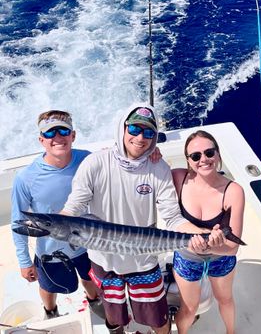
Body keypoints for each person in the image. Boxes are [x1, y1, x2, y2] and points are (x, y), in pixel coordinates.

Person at [61, 104, 225, 334]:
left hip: (143, 261)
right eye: (135, 129)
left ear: (155, 137)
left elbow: (172, 217)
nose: (140, 138)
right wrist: (58, 222)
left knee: (157, 318)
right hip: (104, 261)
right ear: (122, 128)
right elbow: (73, 207)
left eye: (148, 133)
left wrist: (202, 234)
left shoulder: (158, 168)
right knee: (113, 314)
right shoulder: (95, 163)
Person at [11, 110, 105, 319]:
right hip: (51, 251)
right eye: (50, 133)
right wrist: (25, 261)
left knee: (90, 278)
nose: (58, 137)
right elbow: (18, 222)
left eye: (63, 130)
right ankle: (50, 311)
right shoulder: (25, 178)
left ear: (73, 135)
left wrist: (152, 152)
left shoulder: (88, 160)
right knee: (49, 287)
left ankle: (94, 299)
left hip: (88, 243)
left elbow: (122, 160)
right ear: (41, 140)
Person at [171, 130, 245, 334]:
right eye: (195, 156)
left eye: (209, 153)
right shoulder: (178, 177)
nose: (203, 159)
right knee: (189, 308)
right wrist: (153, 154)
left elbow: (232, 248)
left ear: (218, 154)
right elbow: (147, 172)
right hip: (187, 257)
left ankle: (231, 332)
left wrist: (212, 245)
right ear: (188, 160)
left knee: (225, 300)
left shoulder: (234, 191)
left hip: (220, 258)